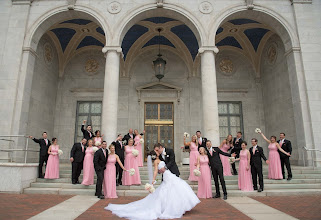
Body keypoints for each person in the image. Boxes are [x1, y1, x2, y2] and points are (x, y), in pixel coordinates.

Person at [105, 150, 200, 219]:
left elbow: (161, 169)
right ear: (155, 155)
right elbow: (156, 171)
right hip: (167, 177)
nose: (158, 153)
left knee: (176, 190)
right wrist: (153, 180)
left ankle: (178, 206)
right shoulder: (156, 161)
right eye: (156, 152)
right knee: (170, 192)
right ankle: (172, 208)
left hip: (169, 176)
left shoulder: (161, 159)